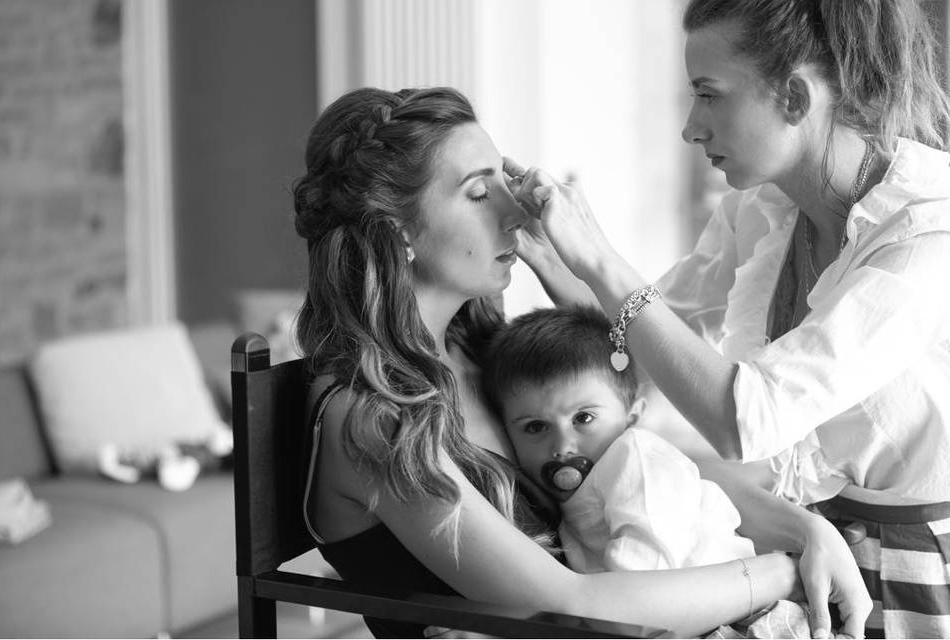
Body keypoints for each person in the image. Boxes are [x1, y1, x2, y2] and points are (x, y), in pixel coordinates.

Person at [293, 85, 869, 639]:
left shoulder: (484, 356)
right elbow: (575, 608)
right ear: (397, 235)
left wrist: (806, 529)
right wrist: (780, 570)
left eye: (506, 181)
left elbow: (648, 466)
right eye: (477, 193)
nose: (514, 213)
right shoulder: (370, 417)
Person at [505, 0, 949, 637]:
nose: (690, 127)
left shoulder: (927, 235)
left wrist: (599, 255)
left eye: (709, 95)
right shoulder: (765, 206)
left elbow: (748, 419)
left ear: (794, 96)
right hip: (811, 540)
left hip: (920, 565)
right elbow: (644, 347)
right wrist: (555, 262)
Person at [482, 305, 812, 638]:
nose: (562, 445)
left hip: (746, 622)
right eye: (535, 427)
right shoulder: (570, 491)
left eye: (583, 418)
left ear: (632, 415)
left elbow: (638, 591)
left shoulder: (634, 458)